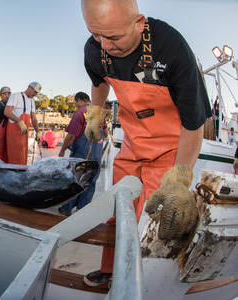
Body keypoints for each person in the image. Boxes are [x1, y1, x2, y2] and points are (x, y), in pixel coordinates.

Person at [81, 0, 210, 287]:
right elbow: (99, 80)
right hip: (131, 146)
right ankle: (112, 270)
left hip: (169, 154)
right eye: (96, 34)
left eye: (114, 37)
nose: (105, 45)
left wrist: (178, 180)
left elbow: (194, 123)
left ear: (139, 23)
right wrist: (95, 112)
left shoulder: (172, 48)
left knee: (154, 222)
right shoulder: (95, 49)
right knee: (119, 209)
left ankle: (143, 282)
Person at [57, 92, 108, 216]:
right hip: (96, 152)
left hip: (81, 152)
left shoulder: (80, 112)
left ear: (79, 101)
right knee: (90, 180)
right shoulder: (99, 113)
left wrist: (62, 150)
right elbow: (105, 133)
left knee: (75, 179)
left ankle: (66, 208)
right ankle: (82, 210)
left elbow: (71, 136)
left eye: (75, 103)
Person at [3, 82, 41, 165]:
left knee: (23, 156)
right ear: (30, 87)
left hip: (24, 135)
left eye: (37, 93)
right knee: (14, 158)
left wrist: (38, 131)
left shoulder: (32, 102)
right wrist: (19, 122)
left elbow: (33, 118)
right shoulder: (16, 96)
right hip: (14, 134)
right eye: (35, 92)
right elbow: (7, 112)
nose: (35, 94)